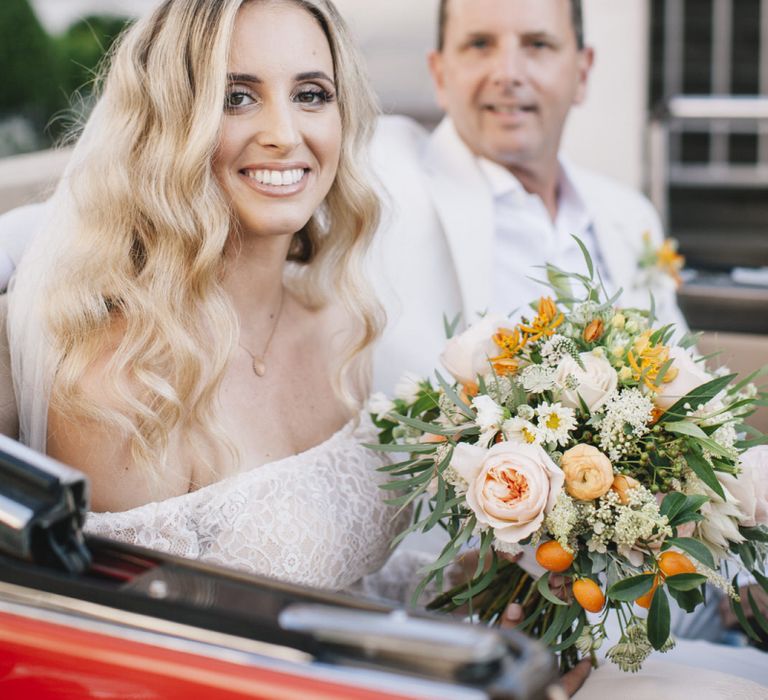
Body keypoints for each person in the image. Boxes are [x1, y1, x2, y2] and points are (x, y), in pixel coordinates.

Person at [3, 0, 411, 592]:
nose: (283, 134)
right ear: (170, 126)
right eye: (237, 97)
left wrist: (471, 591)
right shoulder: (125, 389)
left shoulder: (344, 327)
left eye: (311, 94)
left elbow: (351, 584)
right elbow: (143, 654)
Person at [369, 0, 689, 395]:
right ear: (439, 73)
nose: (508, 73)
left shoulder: (630, 214)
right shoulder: (381, 176)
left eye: (537, 44)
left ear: (582, 72)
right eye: (480, 44)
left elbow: (682, 381)